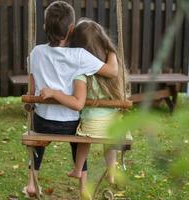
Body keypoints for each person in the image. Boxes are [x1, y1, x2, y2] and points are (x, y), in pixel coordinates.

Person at [25, 1, 119, 197]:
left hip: (42, 123)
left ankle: (32, 183)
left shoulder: (36, 53)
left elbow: (32, 90)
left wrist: (31, 102)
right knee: (79, 138)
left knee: (36, 140)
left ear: (44, 27)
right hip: (70, 124)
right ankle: (83, 188)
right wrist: (110, 50)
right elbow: (111, 72)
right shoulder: (79, 56)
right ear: (71, 29)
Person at [40, 18, 128, 185]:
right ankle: (111, 172)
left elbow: (77, 100)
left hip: (91, 125)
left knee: (84, 139)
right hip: (114, 126)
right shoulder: (112, 73)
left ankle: (78, 169)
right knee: (109, 142)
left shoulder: (82, 74)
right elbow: (114, 69)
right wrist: (112, 51)